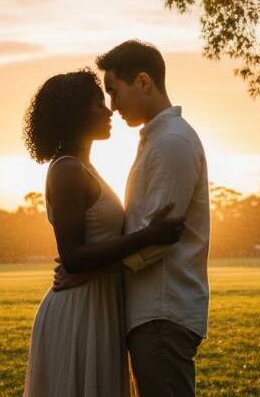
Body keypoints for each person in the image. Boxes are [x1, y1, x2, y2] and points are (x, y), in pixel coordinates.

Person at [56, 40, 211, 397]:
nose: (112, 106)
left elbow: (159, 240)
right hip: (151, 312)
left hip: (162, 310)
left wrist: (88, 272)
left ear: (143, 82)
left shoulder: (172, 142)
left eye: (114, 91)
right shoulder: (156, 141)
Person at [22, 69, 186, 397]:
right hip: (79, 309)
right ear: (76, 115)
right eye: (99, 105)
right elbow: (72, 257)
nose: (109, 111)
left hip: (99, 304)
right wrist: (148, 236)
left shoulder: (85, 168)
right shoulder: (67, 170)